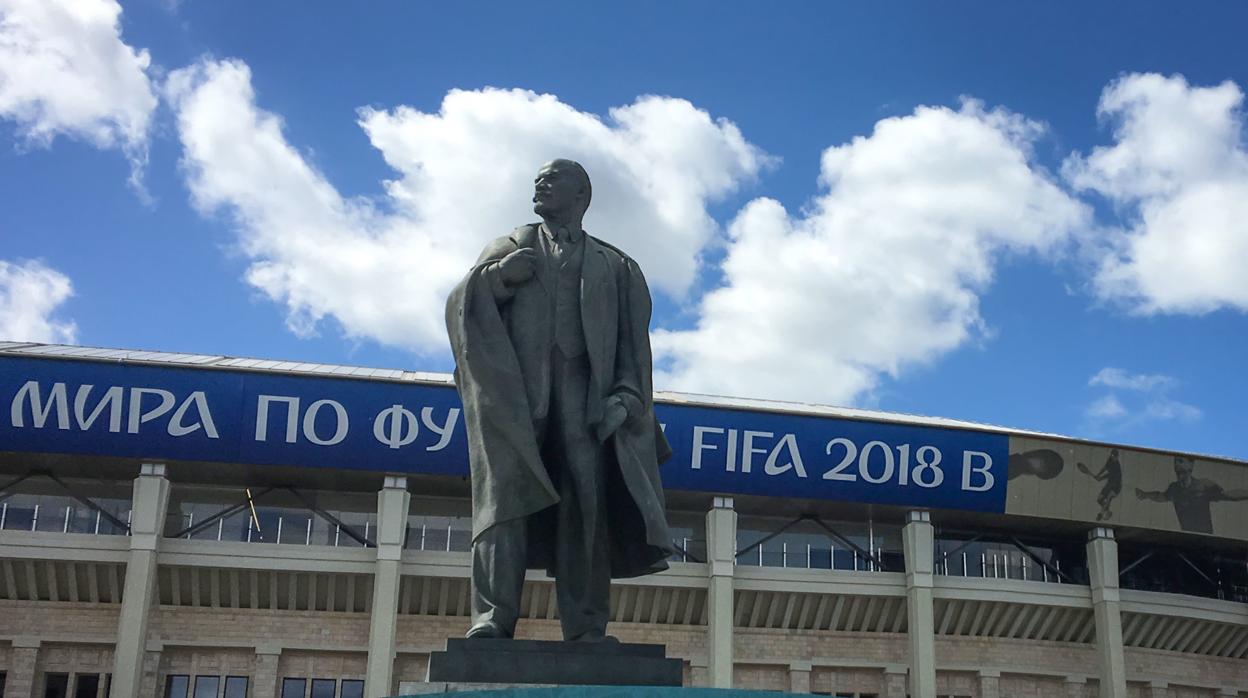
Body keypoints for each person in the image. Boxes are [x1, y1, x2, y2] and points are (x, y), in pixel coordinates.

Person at [445, 159, 674, 642]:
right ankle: (492, 619)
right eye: (538, 179)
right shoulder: (510, 247)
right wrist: (499, 278)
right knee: (501, 505)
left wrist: (627, 400)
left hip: (586, 409)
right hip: (515, 403)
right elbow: (462, 307)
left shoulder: (616, 266)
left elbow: (637, 352)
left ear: (581, 195)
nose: (540, 183)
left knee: (585, 510)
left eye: (553, 179)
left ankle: (587, 627)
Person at [1135, 456, 1248, 534]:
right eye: (1175, 462)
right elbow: (1161, 496)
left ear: (1191, 465)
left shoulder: (1203, 485)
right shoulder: (1174, 488)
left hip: (1206, 538)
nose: (1177, 465)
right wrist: (1145, 495)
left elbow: (1228, 495)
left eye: (1180, 461)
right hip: (1187, 537)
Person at [1076, 448, 1123, 521]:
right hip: (1109, 484)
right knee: (1099, 500)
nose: (1113, 457)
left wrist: (1100, 478)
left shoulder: (1117, 467)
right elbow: (1104, 468)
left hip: (1116, 486)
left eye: (1114, 456)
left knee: (1109, 497)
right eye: (1112, 456)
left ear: (1117, 457)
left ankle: (1101, 513)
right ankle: (1106, 510)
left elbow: (1110, 475)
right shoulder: (1110, 460)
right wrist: (1098, 475)